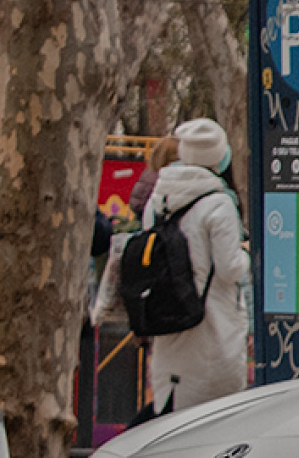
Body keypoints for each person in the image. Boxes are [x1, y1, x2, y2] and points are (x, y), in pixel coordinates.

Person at [94, 118, 248, 419]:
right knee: (214, 422)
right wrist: (247, 257)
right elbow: (229, 270)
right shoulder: (218, 203)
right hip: (213, 333)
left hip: (170, 326)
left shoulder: (158, 199)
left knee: (174, 420)